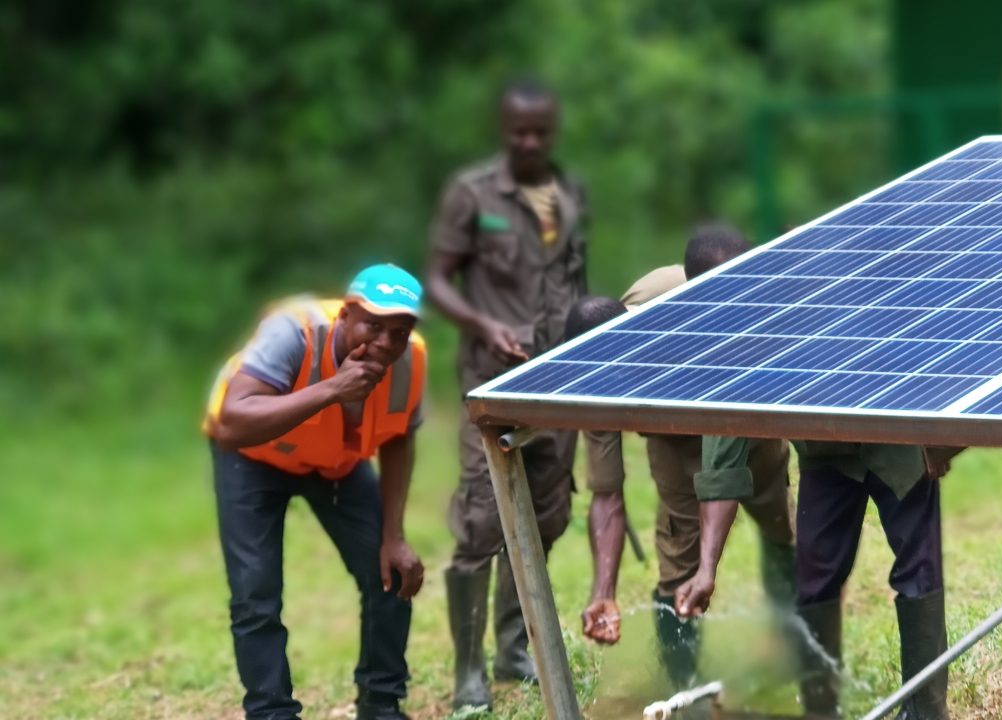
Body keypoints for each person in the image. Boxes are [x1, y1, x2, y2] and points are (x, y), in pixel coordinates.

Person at [425, 77, 589, 710]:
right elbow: (438, 279)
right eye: (519, 131)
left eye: (540, 132)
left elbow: (576, 281)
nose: (529, 142)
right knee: (480, 522)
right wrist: (481, 324)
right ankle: (468, 671)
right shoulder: (471, 194)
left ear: (553, 131)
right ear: (503, 129)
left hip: (556, 381)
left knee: (547, 514)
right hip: (490, 382)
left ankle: (514, 646)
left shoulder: (569, 193)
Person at [576, 224, 796, 691]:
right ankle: (685, 690)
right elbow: (607, 493)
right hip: (676, 446)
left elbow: (730, 443)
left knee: (784, 529)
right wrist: (603, 592)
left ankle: (793, 642)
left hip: (747, 415)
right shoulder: (593, 376)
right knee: (680, 561)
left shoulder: (701, 301)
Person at [203, 263, 428, 720]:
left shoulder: (410, 360)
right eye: (373, 325)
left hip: (336, 462)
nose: (386, 342)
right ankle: (271, 712)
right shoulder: (293, 332)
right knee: (255, 595)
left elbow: (399, 438)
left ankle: (381, 703)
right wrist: (332, 390)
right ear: (345, 315)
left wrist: (394, 536)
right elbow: (232, 424)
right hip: (253, 458)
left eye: (398, 332)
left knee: (389, 572)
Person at [679, 432, 960, 718]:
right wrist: (706, 569)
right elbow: (722, 462)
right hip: (825, 447)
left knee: (918, 573)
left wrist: (942, 442)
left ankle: (925, 712)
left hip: (896, 441)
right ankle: (821, 710)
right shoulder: (741, 400)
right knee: (813, 579)